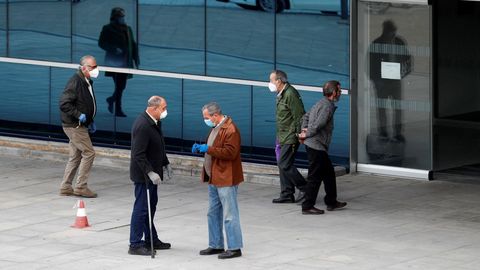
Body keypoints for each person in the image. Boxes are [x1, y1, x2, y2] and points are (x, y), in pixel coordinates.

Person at [191, 102, 244, 260]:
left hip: (226, 178)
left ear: (215, 115)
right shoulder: (215, 127)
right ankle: (216, 244)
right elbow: (214, 146)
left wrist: (208, 149)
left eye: (206, 117)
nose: (205, 120)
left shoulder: (230, 129)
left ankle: (235, 247)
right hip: (214, 177)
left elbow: (230, 153)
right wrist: (203, 148)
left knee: (229, 214)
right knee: (213, 213)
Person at [129, 96, 171, 256]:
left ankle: (151, 239)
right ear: (154, 108)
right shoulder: (143, 125)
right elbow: (138, 154)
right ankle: (135, 243)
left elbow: (158, 145)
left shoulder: (155, 122)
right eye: (163, 108)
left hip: (154, 174)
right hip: (144, 176)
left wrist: (165, 162)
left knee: (150, 207)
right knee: (141, 209)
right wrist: (150, 172)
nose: (166, 111)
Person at [298, 80, 347, 215]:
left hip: (315, 145)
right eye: (339, 91)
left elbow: (306, 117)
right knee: (315, 176)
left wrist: (304, 131)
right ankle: (307, 206)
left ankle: (331, 201)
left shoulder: (320, 102)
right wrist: (306, 134)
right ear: (333, 93)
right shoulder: (327, 107)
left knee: (329, 174)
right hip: (316, 146)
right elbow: (318, 124)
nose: (340, 93)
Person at [59, 55, 99, 198]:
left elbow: (85, 103)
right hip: (75, 126)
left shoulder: (86, 81)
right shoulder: (75, 82)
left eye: (96, 66)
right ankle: (81, 186)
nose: (96, 69)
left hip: (80, 124)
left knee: (75, 156)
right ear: (83, 68)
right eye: (92, 67)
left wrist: (89, 120)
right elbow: (64, 103)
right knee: (89, 153)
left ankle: (66, 186)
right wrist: (79, 115)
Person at [368, 19, 412, 142]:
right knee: (382, 108)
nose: (393, 34)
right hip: (382, 82)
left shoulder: (399, 42)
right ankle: (383, 131)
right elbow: (370, 65)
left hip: (395, 80)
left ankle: (397, 132)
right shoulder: (376, 44)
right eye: (390, 32)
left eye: (394, 31)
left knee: (397, 108)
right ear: (385, 31)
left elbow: (407, 58)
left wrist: (404, 73)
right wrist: (376, 80)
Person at [269, 70, 307, 204]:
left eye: (271, 80)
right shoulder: (282, 93)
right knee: (282, 164)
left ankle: (305, 188)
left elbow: (299, 116)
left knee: (284, 163)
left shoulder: (290, 94)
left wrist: (299, 134)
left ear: (278, 81)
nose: (270, 84)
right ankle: (287, 193)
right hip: (282, 135)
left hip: (290, 136)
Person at [99, 7, 140, 117]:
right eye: (120, 16)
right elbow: (102, 43)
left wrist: (136, 59)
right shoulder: (107, 28)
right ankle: (118, 109)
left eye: (123, 16)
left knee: (121, 86)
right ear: (115, 18)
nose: (122, 18)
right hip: (114, 62)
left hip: (125, 61)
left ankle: (111, 100)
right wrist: (114, 49)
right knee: (119, 86)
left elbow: (133, 44)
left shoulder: (127, 29)